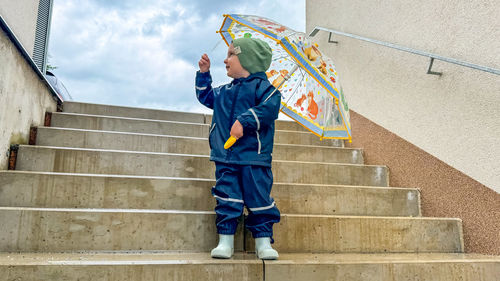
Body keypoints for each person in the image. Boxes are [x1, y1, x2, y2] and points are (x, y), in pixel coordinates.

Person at [195, 37, 281, 260]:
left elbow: (269, 109)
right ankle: (226, 240)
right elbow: (205, 96)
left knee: (259, 197)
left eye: (232, 54)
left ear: (248, 59)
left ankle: (263, 241)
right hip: (226, 156)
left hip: (254, 157)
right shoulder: (224, 91)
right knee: (227, 196)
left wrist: (245, 120)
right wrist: (204, 73)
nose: (226, 59)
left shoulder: (265, 90)